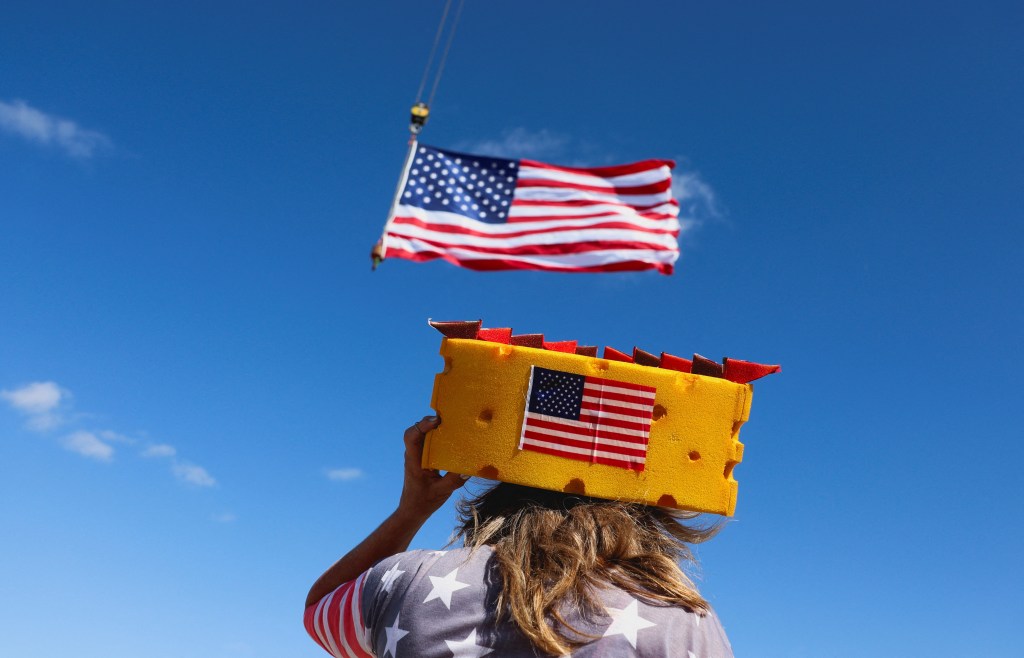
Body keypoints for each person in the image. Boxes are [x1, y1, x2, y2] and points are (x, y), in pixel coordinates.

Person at [304, 416, 734, 657]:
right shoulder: (682, 621)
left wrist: (412, 509)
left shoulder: (411, 581)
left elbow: (318, 612)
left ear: (500, 489)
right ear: (643, 511)